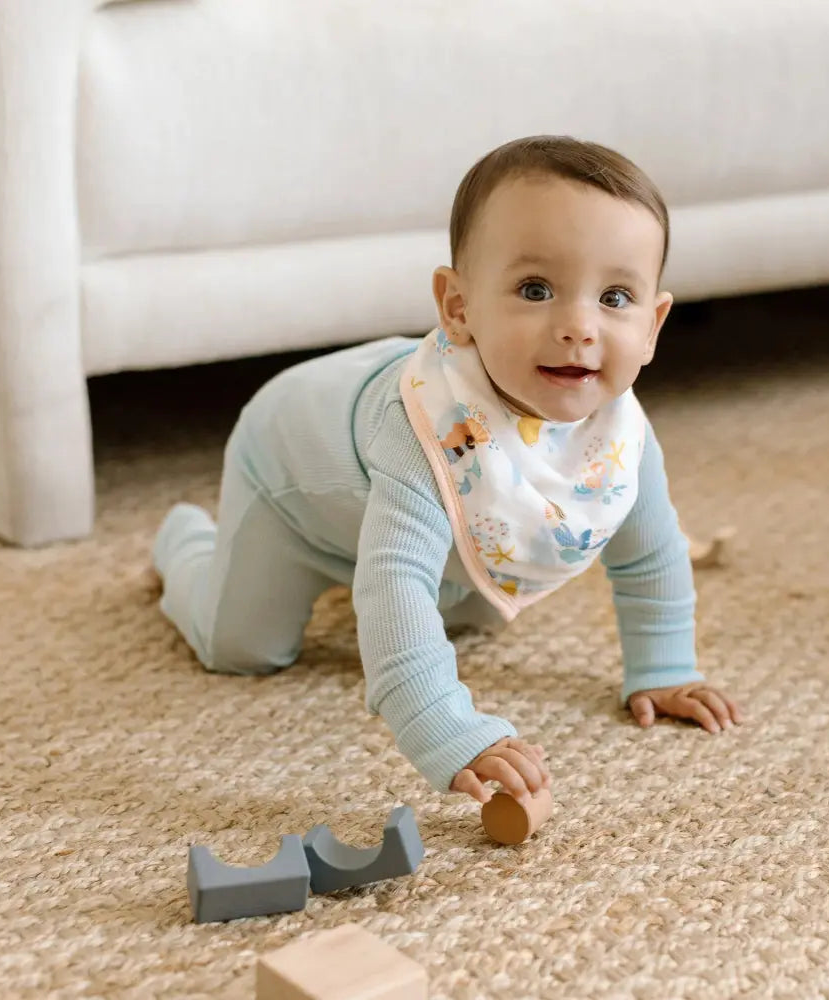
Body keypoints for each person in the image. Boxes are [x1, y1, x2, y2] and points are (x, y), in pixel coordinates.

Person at [152, 135, 744, 808]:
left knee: (474, 612)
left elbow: (650, 552)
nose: (580, 326)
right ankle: (184, 541)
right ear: (458, 308)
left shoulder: (618, 435)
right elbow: (394, 588)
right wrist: (448, 730)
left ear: (653, 326)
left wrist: (663, 668)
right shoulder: (428, 428)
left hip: (386, 513)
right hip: (290, 485)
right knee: (242, 648)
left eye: (614, 298)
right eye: (535, 289)